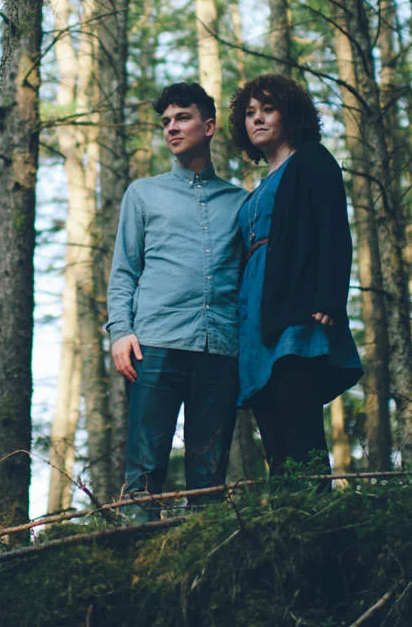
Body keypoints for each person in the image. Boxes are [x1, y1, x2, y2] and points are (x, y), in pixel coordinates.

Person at [106, 82, 246, 519]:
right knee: (144, 473)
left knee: (209, 476)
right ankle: (134, 568)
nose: (171, 128)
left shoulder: (242, 202)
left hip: (220, 349)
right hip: (154, 344)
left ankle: (202, 570)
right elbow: (124, 271)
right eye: (165, 121)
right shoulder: (143, 194)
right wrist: (120, 331)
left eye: (181, 118)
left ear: (208, 126)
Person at [229, 73, 362, 478]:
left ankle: (317, 519)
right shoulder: (252, 192)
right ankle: (285, 522)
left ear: (290, 114)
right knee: (272, 431)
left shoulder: (311, 159)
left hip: (297, 309)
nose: (258, 119)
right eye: (250, 113)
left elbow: (334, 229)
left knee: (300, 420)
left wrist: (328, 298)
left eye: (268, 109)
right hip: (255, 318)